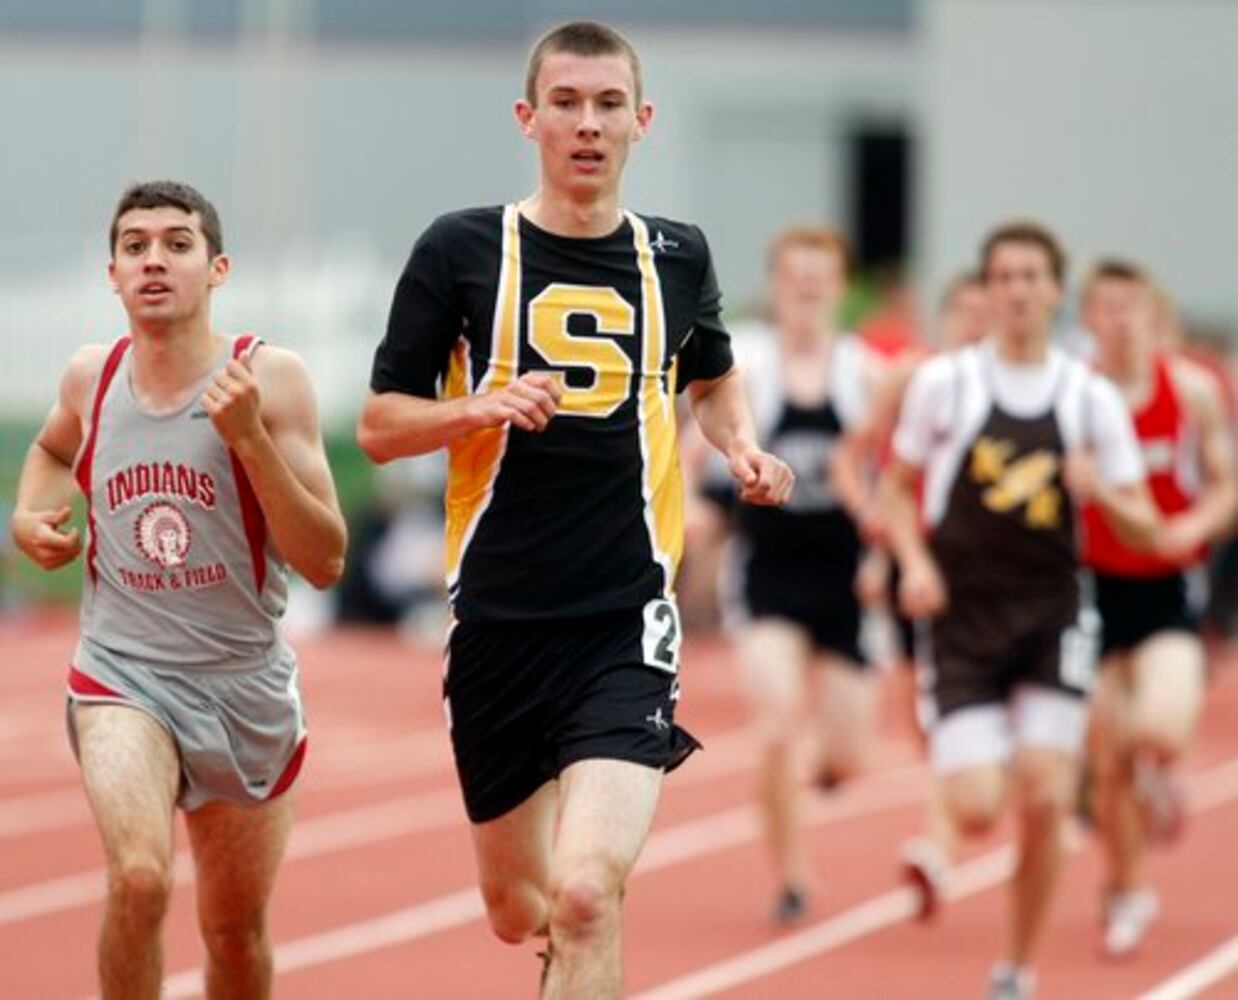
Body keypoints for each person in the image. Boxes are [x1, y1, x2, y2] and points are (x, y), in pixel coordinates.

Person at [356, 21, 792, 1000]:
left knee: (589, 891)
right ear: (528, 118)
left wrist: (740, 444)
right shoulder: (462, 248)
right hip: (498, 626)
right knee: (521, 909)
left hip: (623, 619)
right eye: (565, 103)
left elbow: (713, 380)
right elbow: (379, 425)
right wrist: (478, 404)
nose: (586, 124)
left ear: (641, 121)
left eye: (606, 105)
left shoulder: (675, 256)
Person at [10, 180, 347, 999]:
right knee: (139, 877)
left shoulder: (273, 379)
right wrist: (28, 514)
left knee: (234, 938)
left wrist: (251, 441)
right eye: (135, 246)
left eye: (176, 243)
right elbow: (53, 452)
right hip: (122, 674)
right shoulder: (93, 376)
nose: (154, 259)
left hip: (241, 685)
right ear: (113, 274)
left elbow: (326, 558)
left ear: (217, 267)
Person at [880, 221, 1158, 1000]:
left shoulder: (1088, 397)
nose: (1018, 291)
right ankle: (972, 797)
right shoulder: (947, 383)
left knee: (1042, 795)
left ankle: (1016, 966)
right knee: (974, 808)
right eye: (1003, 277)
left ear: (1056, 291)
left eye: (1032, 276)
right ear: (988, 291)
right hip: (962, 615)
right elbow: (896, 492)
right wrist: (913, 561)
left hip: (1052, 614)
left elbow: (1147, 526)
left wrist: (1098, 489)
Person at [711, 227, 878, 923]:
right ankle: (793, 876)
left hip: (845, 578)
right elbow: (706, 452)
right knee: (776, 729)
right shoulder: (749, 364)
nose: (807, 287)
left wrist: (886, 554)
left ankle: (821, 771)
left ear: (840, 287)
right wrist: (701, 510)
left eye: (820, 276)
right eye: (796, 275)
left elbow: (893, 474)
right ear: (777, 284)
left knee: (846, 760)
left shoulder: (864, 372)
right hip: (767, 568)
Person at [1080, 260, 1236, 957]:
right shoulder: (1074, 392)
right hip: (1089, 591)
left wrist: (1195, 528)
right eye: (1105, 308)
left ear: (1153, 314)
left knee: (1161, 731)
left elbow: (1228, 485)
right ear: (1089, 318)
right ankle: (1129, 889)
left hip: (1167, 587)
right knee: (1108, 758)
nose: (1119, 320)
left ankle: (1161, 773)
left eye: (1131, 307)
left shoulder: (1193, 391)